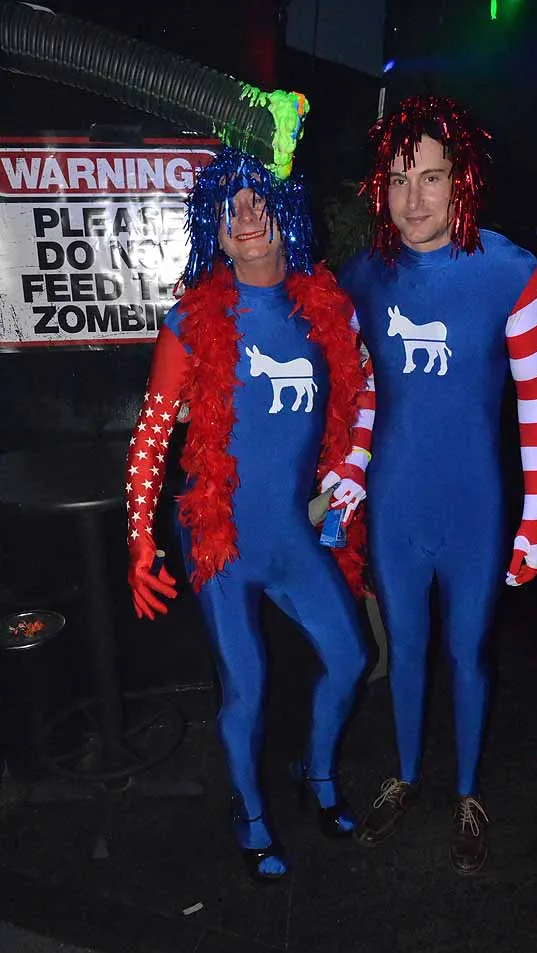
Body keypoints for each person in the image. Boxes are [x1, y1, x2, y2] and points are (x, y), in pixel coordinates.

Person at [126, 146, 375, 881]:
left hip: (292, 532)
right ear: (215, 230)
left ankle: (317, 773)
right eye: (228, 206)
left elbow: (363, 394)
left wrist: (351, 468)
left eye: (258, 197)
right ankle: (251, 813)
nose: (245, 214)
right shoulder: (190, 321)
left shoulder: (327, 309)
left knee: (352, 658)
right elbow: (151, 437)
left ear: (284, 209)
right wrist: (139, 541)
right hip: (220, 539)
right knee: (248, 685)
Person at [339, 95, 537, 874]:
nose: (414, 200)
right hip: (397, 499)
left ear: (461, 179)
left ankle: (467, 792)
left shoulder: (511, 273)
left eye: (431, 178)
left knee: (467, 653)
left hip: (474, 506)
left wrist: (534, 518)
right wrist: (352, 471)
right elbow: (364, 388)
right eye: (399, 180)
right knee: (405, 648)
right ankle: (403, 776)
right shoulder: (363, 276)